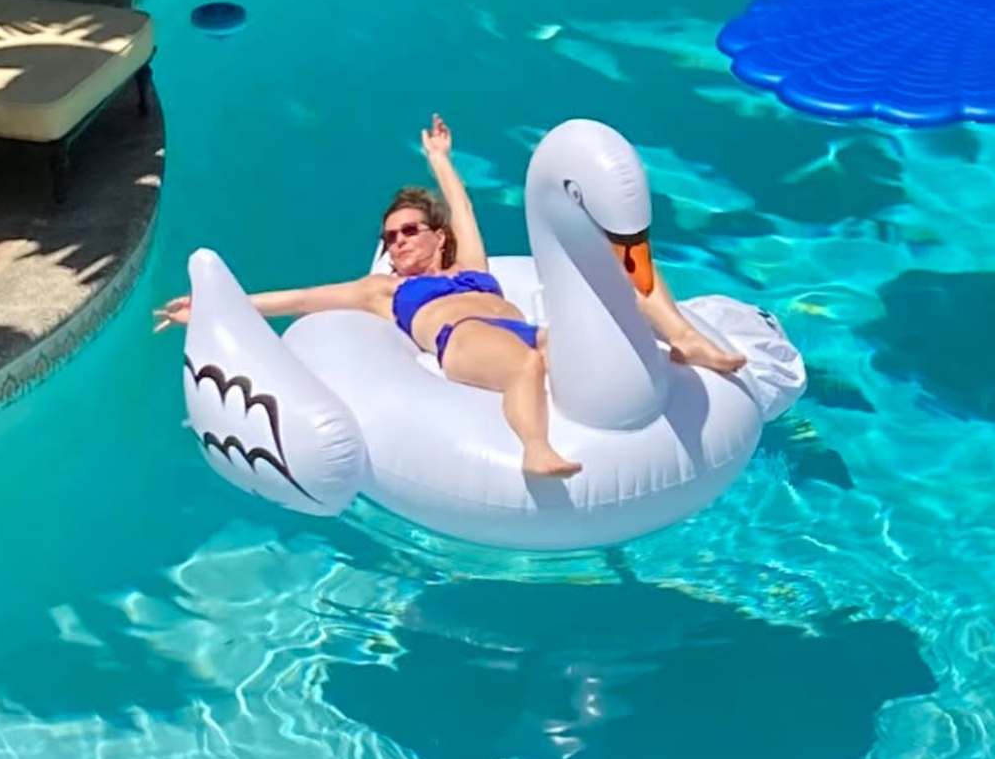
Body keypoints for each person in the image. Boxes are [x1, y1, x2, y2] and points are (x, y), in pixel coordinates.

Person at [159, 114, 739, 483]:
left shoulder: (471, 268)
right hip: (460, 342)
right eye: (389, 237)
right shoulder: (385, 289)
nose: (398, 243)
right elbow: (304, 298)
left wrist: (440, 161)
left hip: (523, 325)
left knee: (598, 318)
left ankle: (682, 341)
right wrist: (211, 306)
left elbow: (464, 211)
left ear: (437, 238)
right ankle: (535, 449)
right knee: (525, 365)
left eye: (409, 231)